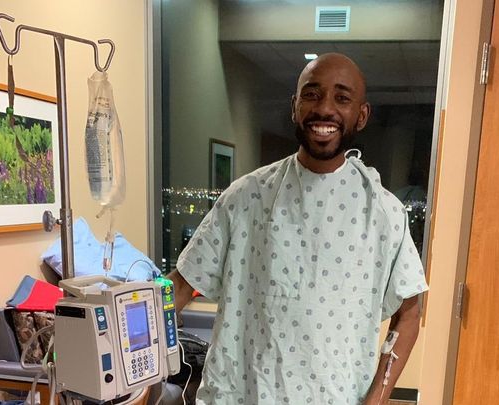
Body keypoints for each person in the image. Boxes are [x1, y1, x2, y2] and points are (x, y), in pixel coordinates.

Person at [167, 53, 428, 404]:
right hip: (241, 394)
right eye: (312, 94)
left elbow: (409, 313)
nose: (325, 108)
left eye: (342, 98)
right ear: (295, 106)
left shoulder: (384, 213)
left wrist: (376, 399)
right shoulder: (246, 197)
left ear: (362, 115)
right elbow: (183, 283)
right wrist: (130, 329)